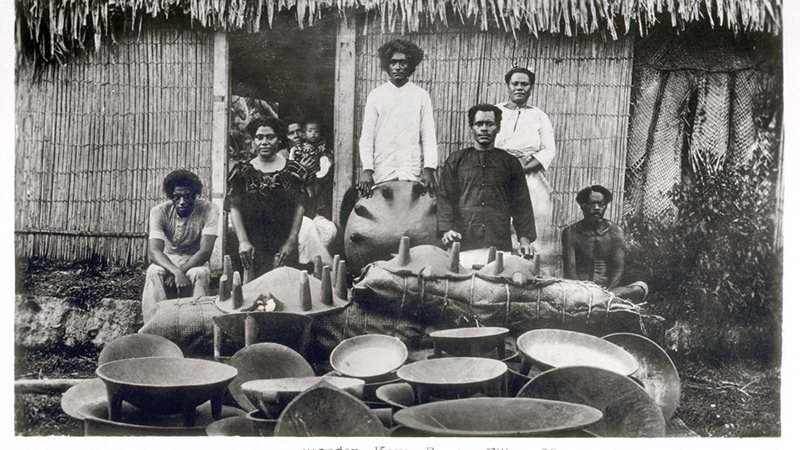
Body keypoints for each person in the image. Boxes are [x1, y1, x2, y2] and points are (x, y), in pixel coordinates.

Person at [437, 104, 536, 257]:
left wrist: (524, 241)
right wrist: (446, 230)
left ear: (498, 128)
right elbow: (445, 197)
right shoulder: (456, 160)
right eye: (479, 124)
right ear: (471, 128)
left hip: (499, 244)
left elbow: (521, 204)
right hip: (463, 244)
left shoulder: (510, 163)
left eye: (490, 124)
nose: (484, 128)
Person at [226, 117, 314, 278]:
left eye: (270, 137)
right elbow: (234, 207)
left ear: (279, 139)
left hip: (283, 245)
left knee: (284, 291)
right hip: (251, 246)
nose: (264, 142)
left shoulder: (295, 171)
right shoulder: (241, 171)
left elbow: (299, 207)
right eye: (259, 137)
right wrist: (243, 241)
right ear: (253, 141)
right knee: (251, 294)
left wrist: (291, 242)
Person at [356, 39, 438, 197]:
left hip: (410, 170)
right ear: (387, 65)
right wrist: (367, 169)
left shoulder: (421, 96)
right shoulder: (376, 95)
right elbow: (367, 137)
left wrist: (429, 168)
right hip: (382, 170)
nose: (398, 67)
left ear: (411, 65)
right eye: (393, 62)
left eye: (403, 62)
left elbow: (428, 135)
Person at [494, 67, 556, 254]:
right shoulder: (496, 111)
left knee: (529, 220)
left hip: (528, 175)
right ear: (508, 86)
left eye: (524, 84)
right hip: (498, 174)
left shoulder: (539, 115)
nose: (519, 88)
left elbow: (548, 149)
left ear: (531, 87)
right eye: (515, 84)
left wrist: (523, 170)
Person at [143, 170, 219, 321]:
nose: (182, 201)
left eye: (187, 196)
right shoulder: (159, 211)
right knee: (153, 270)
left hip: (195, 259)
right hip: (169, 259)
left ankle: (198, 324)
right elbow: (155, 251)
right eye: (177, 197)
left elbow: (205, 251)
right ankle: (155, 323)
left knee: (200, 273)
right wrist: (176, 272)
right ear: (171, 196)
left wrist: (180, 271)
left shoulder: (209, 209)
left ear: (195, 194)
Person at [561, 185, 648, 301]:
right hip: (578, 289)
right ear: (583, 206)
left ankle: (603, 298)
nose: (597, 208)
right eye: (592, 204)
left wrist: (607, 292)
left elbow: (618, 268)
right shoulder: (570, 233)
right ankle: (599, 299)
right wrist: (583, 291)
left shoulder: (615, 231)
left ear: (606, 206)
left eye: (601, 204)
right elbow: (570, 269)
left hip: (608, 289)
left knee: (640, 288)